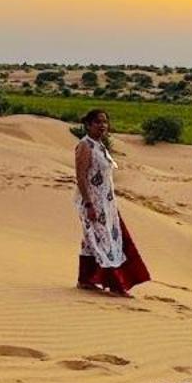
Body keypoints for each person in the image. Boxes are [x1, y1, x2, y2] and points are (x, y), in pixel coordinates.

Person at [75, 109, 151, 295]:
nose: (102, 125)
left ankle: (85, 279)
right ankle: (117, 284)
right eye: (98, 122)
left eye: (105, 122)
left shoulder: (100, 145)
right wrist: (89, 204)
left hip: (106, 203)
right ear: (89, 124)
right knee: (106, 241)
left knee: (91, 240)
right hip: (93, 203)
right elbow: (81, 177)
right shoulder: (85, 146)